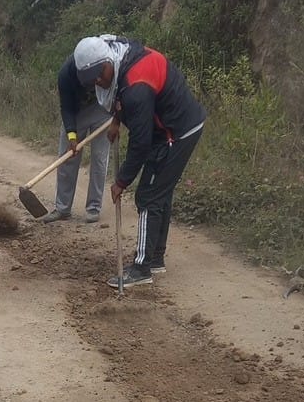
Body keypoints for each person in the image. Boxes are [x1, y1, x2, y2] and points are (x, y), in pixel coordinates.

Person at [72, 35, 205, 287]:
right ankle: (155, 258)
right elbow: (121, 93)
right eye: (92, 80)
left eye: (99, 75)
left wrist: (121, 181)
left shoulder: (137, 87)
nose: (98, 81)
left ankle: (142, 267)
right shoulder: (123, 55)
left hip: (177, 131)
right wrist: (116, 121)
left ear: (106, 61)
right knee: (160, 192)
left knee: (149, 195)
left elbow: (141, 143)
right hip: (169, 128)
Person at [41, 42, 115, 223]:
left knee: (99, 159)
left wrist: (117, 116)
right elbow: (66, 107)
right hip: (77, 113)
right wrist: (72, 135)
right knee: (67, 158)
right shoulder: (65, 75)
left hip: (102, 110)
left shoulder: (104, 62)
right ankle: (62, 208)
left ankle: (93, 208)